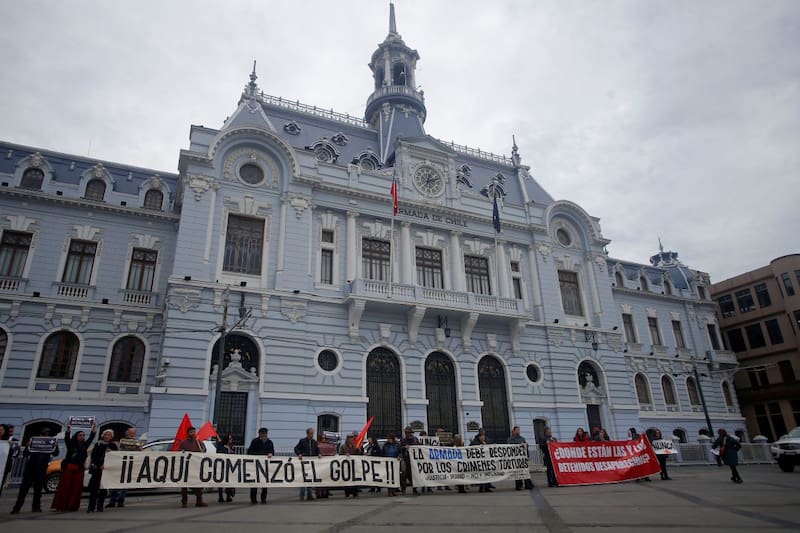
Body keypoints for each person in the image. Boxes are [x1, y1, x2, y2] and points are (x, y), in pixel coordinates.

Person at [11, 427, 59, 514]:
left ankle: (36, 507)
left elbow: (56, 453)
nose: (46, 436)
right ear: (40, 434)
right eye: (44, 434)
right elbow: (26, 454)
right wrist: (27, 446)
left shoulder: (50, 443)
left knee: (38, 490)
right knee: (23, 489)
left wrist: (55, 446)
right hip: (31, 469)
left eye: (47, 434)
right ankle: (17, 508)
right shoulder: (34, 442)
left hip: (41, 469)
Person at [52, 422, 96, 511]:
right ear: (76, 436)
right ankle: (62, 505)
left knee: (76, 488)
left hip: (79, 469)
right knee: (66, 487)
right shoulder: (71, 445)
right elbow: (67, 438)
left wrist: (93, 431)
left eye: (83, 435)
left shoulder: (84, 445)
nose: (82, 437)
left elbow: (91, 438)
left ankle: (72, 505)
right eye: (80, 435)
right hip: (70, 468)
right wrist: (68, 429)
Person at [87, 429, 119, 513]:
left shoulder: (113, 445)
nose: (107, 436)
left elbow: (116, 456)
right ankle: (91, 507)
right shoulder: (98, 444)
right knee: (94, 489)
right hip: (97, 469)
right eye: (106, 435)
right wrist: (99, 465)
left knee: (103, 490)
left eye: (109, 435)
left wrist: (111, 452)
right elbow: (94, 456)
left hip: (106, 470)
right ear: (103, 435)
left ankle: (100, 506)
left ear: (111, 437)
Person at [107, 426, 138, 508]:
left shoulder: (136, 443)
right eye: (130, 432)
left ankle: (121, 500)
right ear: (126, 433)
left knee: (124, 484)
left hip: (128, 466)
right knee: (114, 484)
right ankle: (113, 500)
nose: (132, 434)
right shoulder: (120, 442)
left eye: (133, 433)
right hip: (118, 465)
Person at [179, 427, 207, 507]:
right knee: (184, 485)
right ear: (188, 433)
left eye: (194, 432)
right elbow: (179, 452)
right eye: (191, 432)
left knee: (197, 484)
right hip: (186, 467)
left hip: (196, 466)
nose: (193, 433)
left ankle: (199, 501)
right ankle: (184, 502)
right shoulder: (184, 443)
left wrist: (203, 450)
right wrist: (182, 452)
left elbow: (203, 450)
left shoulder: (198, 442)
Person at [247, 427, 274, 504]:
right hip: (255, 465)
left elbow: (272, 452)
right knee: (254, 483)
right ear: (259, 434)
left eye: (265, 434)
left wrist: (270, 454)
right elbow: (249, 452)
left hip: (265, 466)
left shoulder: (269, 442)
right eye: (262, 434)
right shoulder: (255, 441)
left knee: (264, 483)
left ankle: (263, 498)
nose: (264, 435)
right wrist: (259, 455)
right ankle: (253, 499)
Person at [294, 428, 319, 501]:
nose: (312, 435)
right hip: (304, 463)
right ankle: (302, 495)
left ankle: (309, 495)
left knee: (310, 479)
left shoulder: (314, 442)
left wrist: (319, 454)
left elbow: (317, 450)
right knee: (303, 479)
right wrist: (299, 454)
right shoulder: (302, 441)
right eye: (310, 433)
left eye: (312, 433)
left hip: (311, 463)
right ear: (307, 434)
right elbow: (296, 448)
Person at [507, 426, 534, 490]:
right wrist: (519, 444)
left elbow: (525, 448)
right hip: (516, 458)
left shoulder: (522, 438)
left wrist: (527, 455)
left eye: (519, 430)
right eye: (517, 430)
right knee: (518, 472)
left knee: (525, 471)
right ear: (514, 431)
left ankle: (528, 484)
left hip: (523, 458)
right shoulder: (510, 439)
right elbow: (510, 446)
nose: (518, 431)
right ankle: (519, 485)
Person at [339, 433, 362, 498]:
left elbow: (359, 455)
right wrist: (345, 455)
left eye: (352, 439)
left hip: (354, 465)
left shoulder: (355, 446)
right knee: (347, 480)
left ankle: (355, 492)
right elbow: (340, 455)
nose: (351, 440)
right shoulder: (343, 446)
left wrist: (358, 450)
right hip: (346, 466)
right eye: (350, 438)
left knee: (354, 479)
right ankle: (347, 493)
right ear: (347, 439)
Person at [216, 433, 236, 503]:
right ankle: (220, 497)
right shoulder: (221, 446)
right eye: (229, 438)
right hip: (222, 466)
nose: (231, 440)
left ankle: (228, 496)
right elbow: (219, 454)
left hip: (229, 467)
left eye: (231, 438)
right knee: (221, 482)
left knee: (229, 482)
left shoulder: (231, 447)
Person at [316, 434, 337, 499]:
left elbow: (334, 452)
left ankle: (325, 493)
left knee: (326, 478)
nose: (324, 439)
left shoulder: (329, 445)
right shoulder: (317, 445)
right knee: (319, 479)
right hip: (319, 464)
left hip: (326, 464)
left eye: (325, 438)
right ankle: (319, 493)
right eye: (323, 438)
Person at [400, 427, 420, 495]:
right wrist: (404, 447)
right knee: (404, 475)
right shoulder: (403, 440)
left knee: (414, 475)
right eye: (406, 433)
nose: (407, 434)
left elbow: (419, 447)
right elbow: (399, 448)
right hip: (405, 459)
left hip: (413, 460)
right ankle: (403, 490)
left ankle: (415, 489)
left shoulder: (415, 440)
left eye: (408, 433)